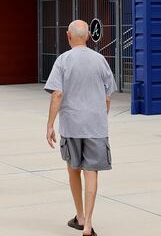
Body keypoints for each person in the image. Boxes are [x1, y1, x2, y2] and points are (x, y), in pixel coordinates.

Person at [45, 20, 116, 236]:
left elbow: (57, 94)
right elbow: (108, 96)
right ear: (87, 37)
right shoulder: (100, 60)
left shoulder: (63, 60)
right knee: (91, 172)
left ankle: (80, 216)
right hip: (95, 127)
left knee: (73, 169)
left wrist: (49, 125)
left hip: (71, 126)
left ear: (68, 35)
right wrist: (100, 118)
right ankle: (87, 224)